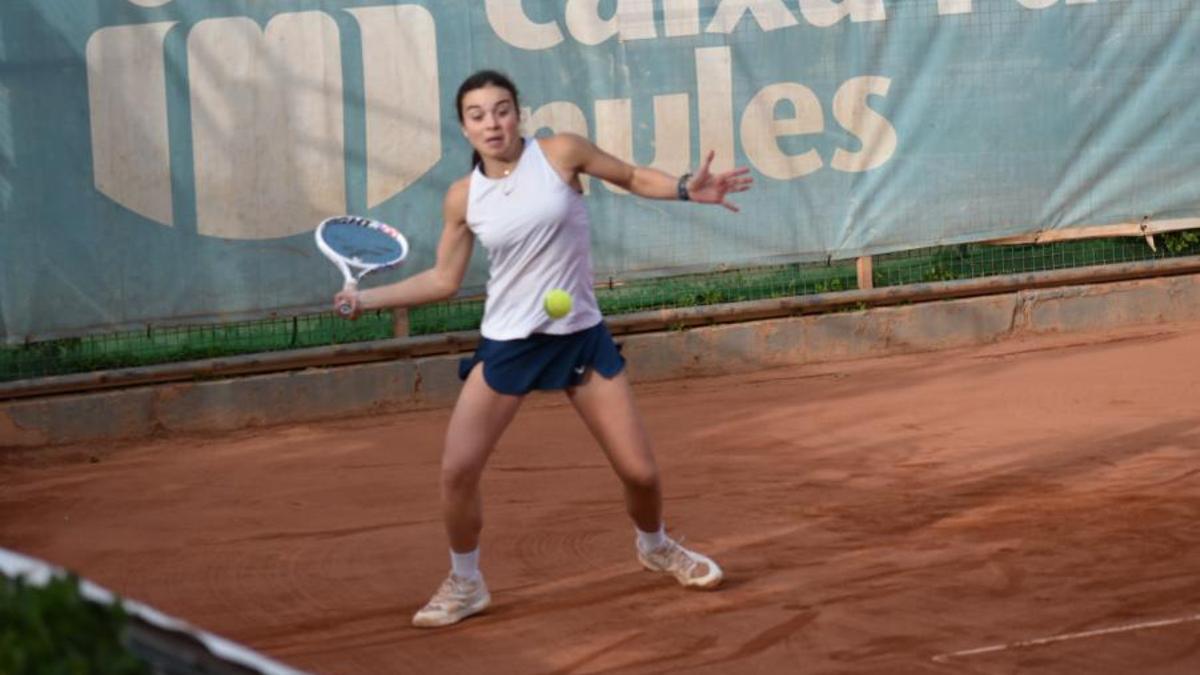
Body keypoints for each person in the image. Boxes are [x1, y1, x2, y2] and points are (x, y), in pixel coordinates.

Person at [335, 70, 753, 628]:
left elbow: (628, 175)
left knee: (641, 474)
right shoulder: (463, 197)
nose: (492, 122)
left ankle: (654, 546)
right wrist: (366, 300)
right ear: (464, 127)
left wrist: (684, 188)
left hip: (579, 336)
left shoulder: (560, 154)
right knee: (457, 470)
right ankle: (466, 581)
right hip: (508, 345)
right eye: (478, 114)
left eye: (502, 109)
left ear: (518, 114)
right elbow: (442, 280)